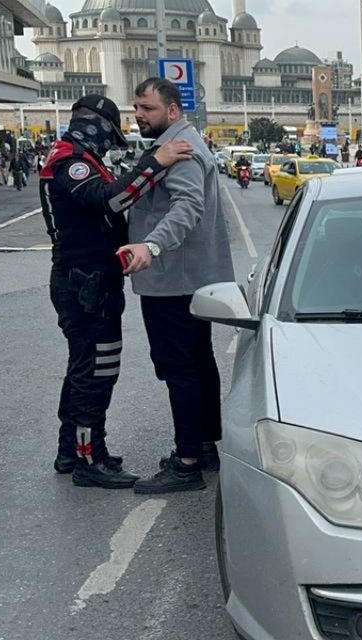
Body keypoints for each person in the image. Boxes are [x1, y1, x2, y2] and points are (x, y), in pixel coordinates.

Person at [41, 94, 194, 488]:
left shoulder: (80, 158)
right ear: (95, 125)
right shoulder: (70, 162)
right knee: (95, 371)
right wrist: (155, 163)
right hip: (84, 283)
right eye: (110, 135)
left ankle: (70, 451)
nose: (111, 145)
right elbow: (109, 200)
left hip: (91, 279)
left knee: (84, 367)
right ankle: (90, 460)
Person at [119, 77, 235, 494]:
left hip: (173, 278)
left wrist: (152, 244)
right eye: (135, 108)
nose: (138, 116)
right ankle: (203, 446)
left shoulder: (181, 150)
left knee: (179, 367)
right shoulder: (175, 144)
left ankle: (186, 462)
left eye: (146, 109)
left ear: (171, 110)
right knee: (198, 362)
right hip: (187, 277)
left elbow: (188, 206)